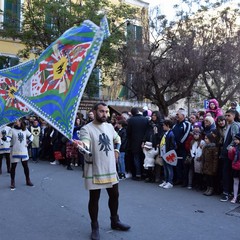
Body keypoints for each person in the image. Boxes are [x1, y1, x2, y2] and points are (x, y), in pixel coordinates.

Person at [74, 102, 130, 240]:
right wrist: (82, 145)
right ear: (94, 111)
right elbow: (85, 143)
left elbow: (118, 139)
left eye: (106, 112)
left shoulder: (110, 126)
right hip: (95, 167)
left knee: (115, 195)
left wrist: (116, 150)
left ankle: (115, 221)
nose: (104, 114)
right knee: (94, 199)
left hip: (110, 167)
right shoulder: (86, 129)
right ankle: (95, 226)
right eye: (101, 111)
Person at [7, 119, 34, 190]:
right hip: (15, 151)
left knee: (26, 166)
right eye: (15, 120)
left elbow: (31, 137)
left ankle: (28, 180)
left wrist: (27, 143)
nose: (16, 121)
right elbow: (8, 139)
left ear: (20, 121)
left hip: (23, 151)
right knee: (13, 167)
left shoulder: (25, 130)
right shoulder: (12, 130)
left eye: (18, 120)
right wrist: (3, 137)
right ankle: (12, 182)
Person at [220, 109, 240, 202]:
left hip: (230, 153)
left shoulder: (234, 125)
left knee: (227, 173)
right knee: (226, 172)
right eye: (226, 115)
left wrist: (229, 147)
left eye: (229, 115)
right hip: (226, 153)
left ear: (234, 116)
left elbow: (235, 139)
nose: (227, 117)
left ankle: (226, 193)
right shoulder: (228, 125)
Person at [126, 107, 148, 180]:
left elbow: (128, 132)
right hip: (145, 141)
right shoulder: (145, 119)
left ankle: (138, 174)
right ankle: (144, 173)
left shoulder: (131, 120)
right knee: (144, 158)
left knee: (136, 158)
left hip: (134, 141)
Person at [159, 119, 176, 189]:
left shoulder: (171, 134)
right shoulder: (166, 133)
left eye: (164, 125)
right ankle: (166, 180)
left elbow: (172, 145)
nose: (163, 126)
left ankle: (170, 182)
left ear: (168, 126)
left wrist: (169, 153)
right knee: (165, 168)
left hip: (168, 153)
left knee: (169, 168)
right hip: (164, 153)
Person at [228, 133, 240, 203]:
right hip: (235, 167)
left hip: (237, 166)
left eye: (236, 139)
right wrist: (230, 151)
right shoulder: (235, 148)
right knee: (235, 182)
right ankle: (235, 197)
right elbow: (231, 158)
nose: (235, 141)